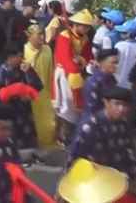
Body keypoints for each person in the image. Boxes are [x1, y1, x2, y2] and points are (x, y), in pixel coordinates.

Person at [67, 86, 136, 198]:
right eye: (117, 104)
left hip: (119, 182)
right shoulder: (90, 126)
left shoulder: (123, 125)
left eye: (125, 105)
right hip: (94, 184)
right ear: (106, 103)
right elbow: (74, 159)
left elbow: (130, 154)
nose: (121, 109)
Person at [0, 41, 43, 150]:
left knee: (29, 138)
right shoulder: (2, 72)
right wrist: (14, 94)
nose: (21, 59)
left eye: (21, 56)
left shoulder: (24, 67)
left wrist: (29, 72)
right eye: (18, 56)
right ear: (10, 57)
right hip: (10, 111)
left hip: (25, 110)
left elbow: (38, 86)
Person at [53, 9, 94, 144]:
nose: (86, 29)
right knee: (67, 103)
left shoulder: (85, 38)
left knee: (77, 104)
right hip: (65, 73)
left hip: (78, 72)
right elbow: (64, 58)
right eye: (84, 26)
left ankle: (72, 133)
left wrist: (83, 60)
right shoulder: (64, 36)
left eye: (88, 26)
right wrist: (74, 69)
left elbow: (88, 55)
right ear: (75, 24)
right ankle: (62, 134)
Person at [23, 23, 56, 147]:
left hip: (45, 95)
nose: (42, 37)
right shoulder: (24, 51)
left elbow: (51, 72)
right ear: (29, 36)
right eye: (39, 35)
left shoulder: (47, 49)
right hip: (29, 97)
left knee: (48, 125)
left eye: (43, 34)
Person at [82, 47, 118, 121]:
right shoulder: (93, 82)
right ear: (101, 63)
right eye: (113, 63)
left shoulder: (112, 78)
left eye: (117, 63)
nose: (116, 66)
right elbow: (91, 110)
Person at [115, 19, 136, 89]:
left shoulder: (119, 45)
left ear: (128, 34)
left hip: (118, 83)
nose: (120, 33)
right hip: (134, 85)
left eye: (123, 32)